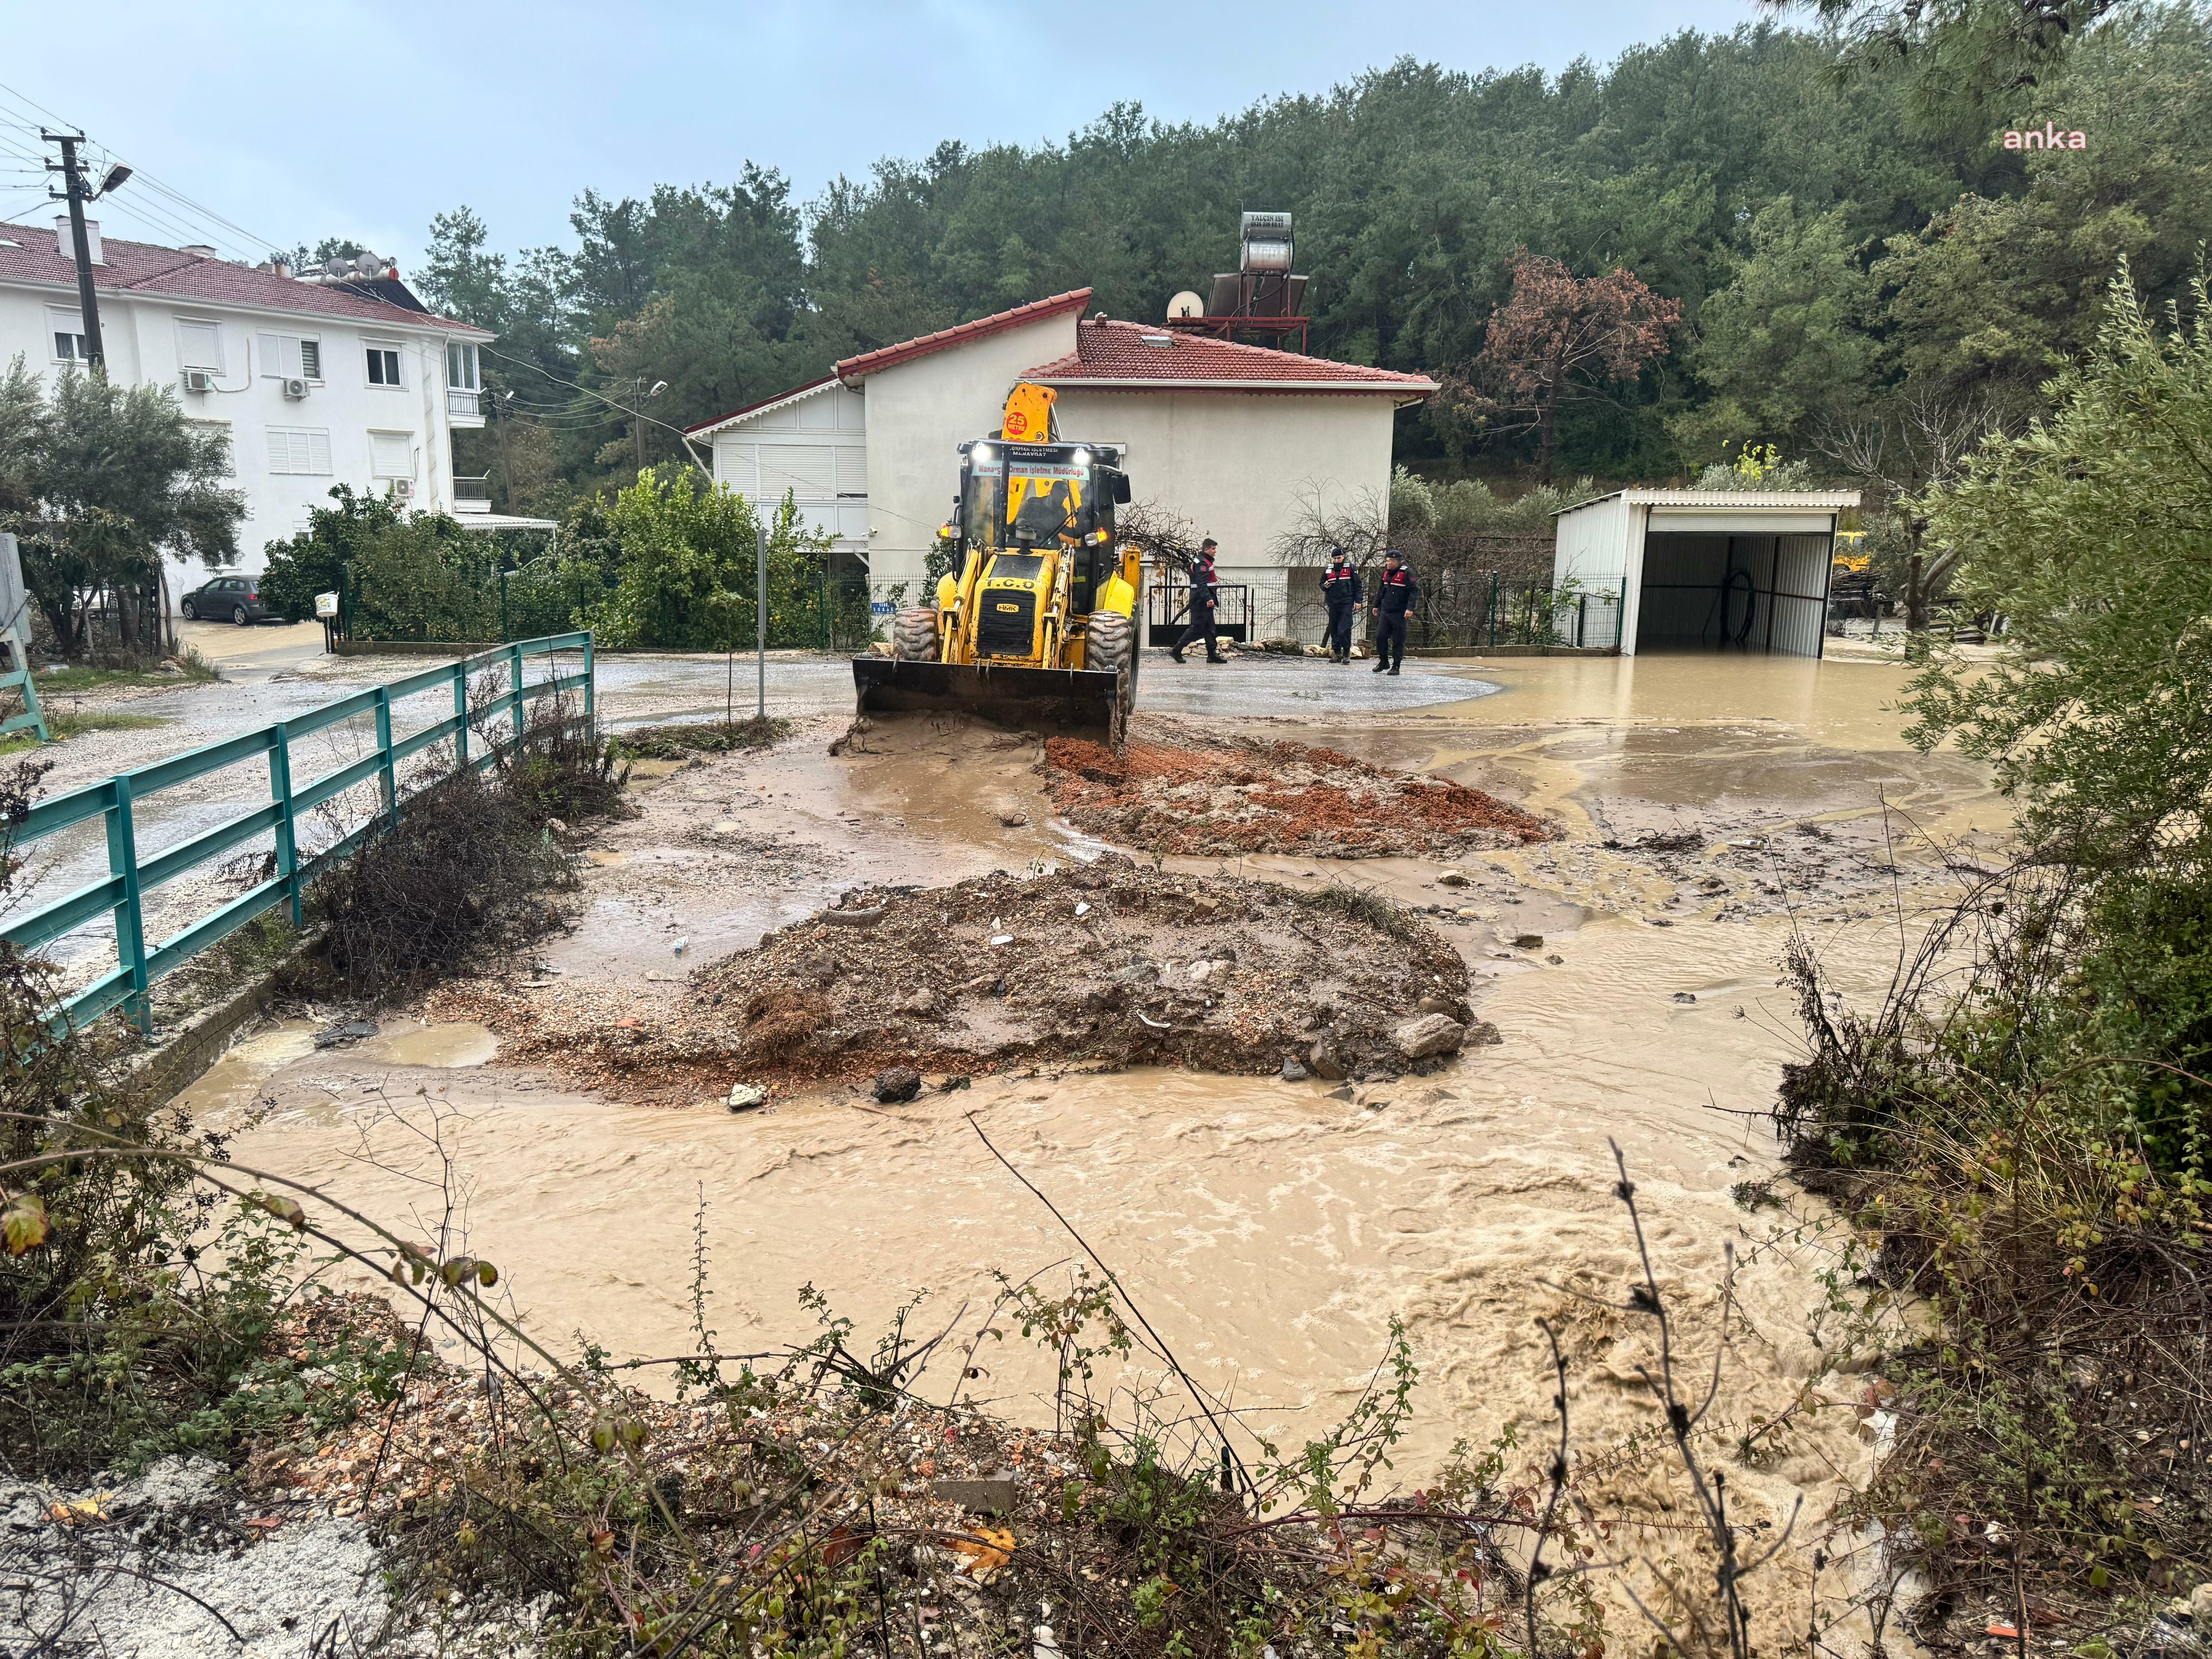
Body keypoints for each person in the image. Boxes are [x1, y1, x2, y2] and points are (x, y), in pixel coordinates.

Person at [1170, 539, 1226, 664]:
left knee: (1209, 627)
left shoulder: (1204, 561)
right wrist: (1208, 598)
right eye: (1213, 549)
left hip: (1203, 598)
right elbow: (1202, 583)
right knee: (1198, 627)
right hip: (1201, 600)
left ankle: (1212, 654)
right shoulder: (1201, 563)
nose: (1215, 551)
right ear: (1206, 550)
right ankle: (1177, 650)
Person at [1369, 549, 1417, 675]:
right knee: (1380, 637)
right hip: (1386, 611)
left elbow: (1414, 592)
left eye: (1389, 561)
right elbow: (1381, 591)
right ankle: (1384, 661)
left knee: (1398, 640)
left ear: (1396, 562)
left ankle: (1396, 666)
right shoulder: (1386, 574)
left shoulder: (1407, 573)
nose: (1387, 563)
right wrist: (1376, 605)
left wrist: (1410, 608)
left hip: (1400, 613)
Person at [1319, 548, 1362, 664]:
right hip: (1333, 603)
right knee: (1334, 628)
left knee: (1344, 629)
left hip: (1347, 602)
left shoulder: (1351, 568)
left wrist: (1359, 601)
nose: (1337, 560)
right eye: (1335, 558)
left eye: (1339, 558)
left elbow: (1358, 586)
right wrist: (1325, 586)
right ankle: (1337, 653)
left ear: (1343, 557)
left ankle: (1346, 653)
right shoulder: (1329, 570)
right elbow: (1321, 584)